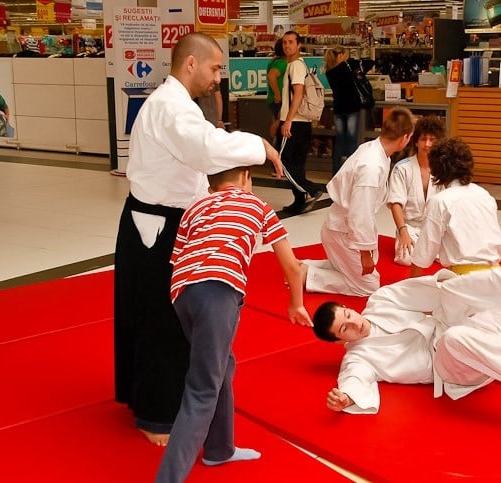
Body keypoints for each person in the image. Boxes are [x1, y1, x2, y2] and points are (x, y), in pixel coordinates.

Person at [114, 32, 283, 447]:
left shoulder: (176, 106)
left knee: (158, 313)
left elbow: (197, 159)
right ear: (190, 63)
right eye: (214, 68)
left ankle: (149, 397)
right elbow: (207, 150)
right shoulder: (171, 108)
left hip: (162, 220)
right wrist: (260, 144)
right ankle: (154, 416)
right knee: (162, 317)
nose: (218, 77)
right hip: (157, 225)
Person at [155, 166, 312, 482]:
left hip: (181, 293)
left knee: (222, 366)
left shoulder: (196, 207)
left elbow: (175, 260)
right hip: (218, 292)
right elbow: (292, 267)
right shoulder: (256, 204)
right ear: (245, 177)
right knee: (201, 391)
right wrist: (296, 303)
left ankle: (219, 449)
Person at [312, 256, 501, 414]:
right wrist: (346, 398)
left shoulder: (379, 301)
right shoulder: (358, 358)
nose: (354, 324)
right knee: (454, 338)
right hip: (451, 366)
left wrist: (457, 290)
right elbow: (354, 380)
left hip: (466, 328)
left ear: (349, 308)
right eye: (344, 329)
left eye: (348, 315)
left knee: (449, 289)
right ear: (340, 341)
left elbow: (429, 290)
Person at [302, 108, 414, 296]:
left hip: (341, 227)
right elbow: (360, 213)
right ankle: (307, 274)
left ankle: (305, 265)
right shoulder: (372, 165)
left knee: (356, 273)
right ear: (405, 138)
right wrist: (365, 253)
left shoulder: (374, 149)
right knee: (368, 286)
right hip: (343, 231)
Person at [409, 137, 501, 278]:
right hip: (497, 277)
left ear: (435, 169)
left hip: (464, 280)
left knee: (384, 297)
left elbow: (422, 256)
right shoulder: (484, 195)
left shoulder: (441, 201)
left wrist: (410, 289)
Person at [387, 115, 446, 266]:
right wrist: (403, 232)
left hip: (437, 227)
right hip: (410, 226)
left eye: (432, 140)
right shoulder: (402, 168)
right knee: (406, 260)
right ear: (416, 141)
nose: (427, 144)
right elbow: (395, 204)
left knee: (451, 258)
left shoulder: (444, 168)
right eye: (423, 139)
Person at [276, 31, 323, 215]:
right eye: (285, 42)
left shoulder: (295, 65)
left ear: (298, 45)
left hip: (294, 122)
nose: (287, 46)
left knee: (283, 161)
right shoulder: (299, 64)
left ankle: (309, 189)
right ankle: (299, 201)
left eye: (291, 42)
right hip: (302, 122)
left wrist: (287, 120)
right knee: (297, 162)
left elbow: (298, 93)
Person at [323, 46, 374, 175]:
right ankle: (350, 171)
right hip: (352, 107)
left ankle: (336, 170)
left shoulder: (329, 71)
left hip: (338, 108)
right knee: (352, 139)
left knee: (340, 139)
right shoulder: (348, 66)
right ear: (340, 55)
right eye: (346, 54)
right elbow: (369, 63)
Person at [266, 38, 287, 141]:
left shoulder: (274, 61)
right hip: (278, 99)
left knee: (276, 123)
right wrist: (277, 94)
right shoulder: (282, 63)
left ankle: (274, 146)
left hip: (273, 99)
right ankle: (275, 148)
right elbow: (271, 76)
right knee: (278, 124)